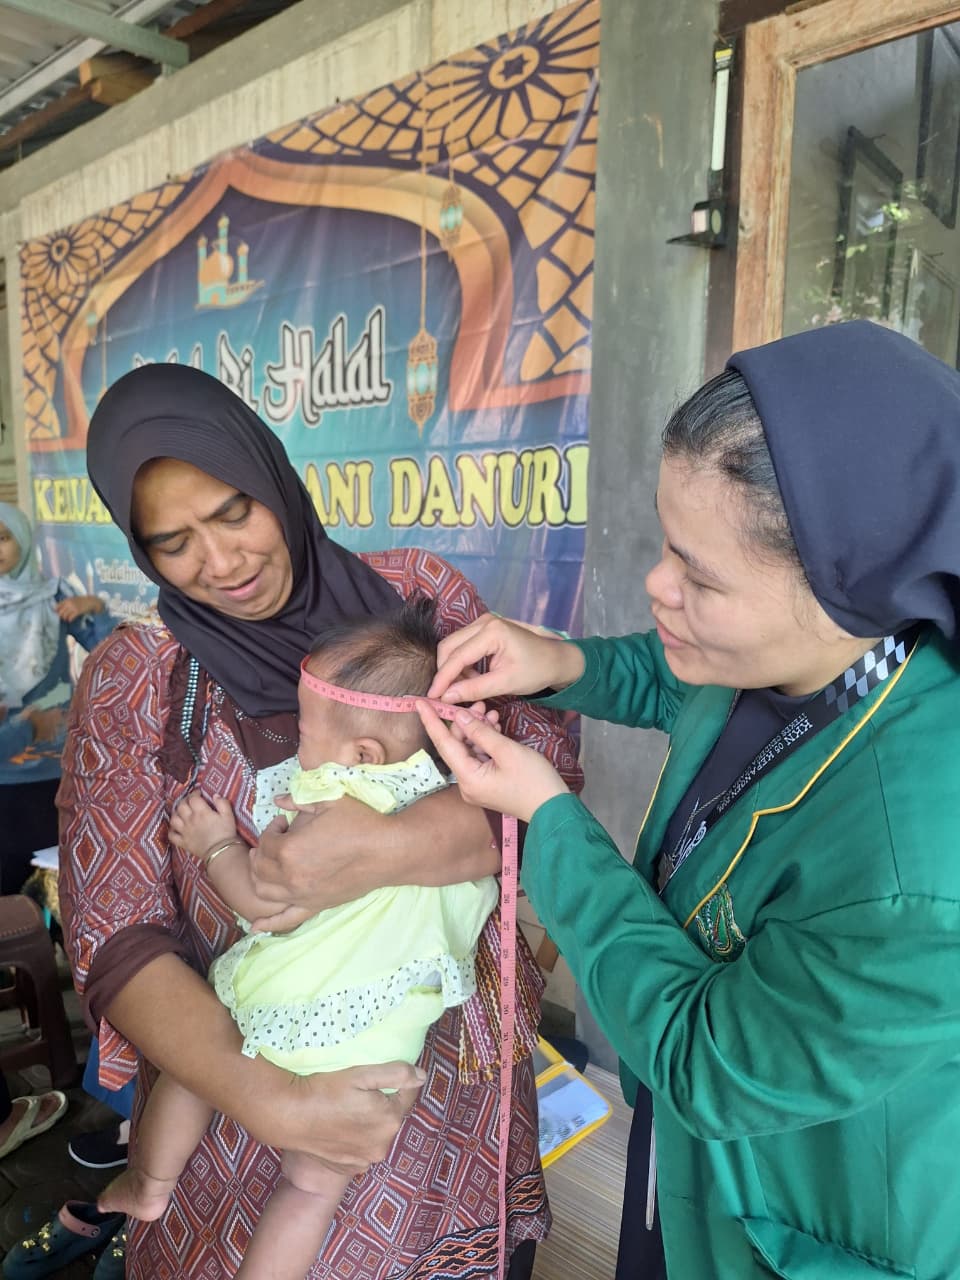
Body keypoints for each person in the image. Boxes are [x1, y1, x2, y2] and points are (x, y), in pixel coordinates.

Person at [417, 320, 960, 1280]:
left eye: (699, 577)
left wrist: (549, 821)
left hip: (797, 1216)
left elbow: (707, 1062)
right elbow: (685, 684)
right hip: (687, 1163)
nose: (656, 586)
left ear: (845, 578)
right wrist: (564, 662)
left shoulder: (916, 875)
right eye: (668, 546)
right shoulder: (827, 647)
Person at [58, 362, 582, 1280]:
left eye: (234, 512)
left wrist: (383, 849)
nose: (222, 563)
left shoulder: (417, 603)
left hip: (453, 1119)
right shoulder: (136, 680)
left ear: (271, 476)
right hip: (236, 1117)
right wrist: (278, 1103)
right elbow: (117, 938)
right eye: (173, 542)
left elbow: (545, 794)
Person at [100, 597, 500, 1280]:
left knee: (193, 1075)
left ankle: (150, 1184)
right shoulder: (456, 788)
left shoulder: (329, 805)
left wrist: (218, 845)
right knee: (310, 1191)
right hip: (380, 1047)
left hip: (289, 1008)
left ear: (362, 755)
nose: (297, 742)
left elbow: (264, 903)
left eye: (306, 729)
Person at [0, 502, 114, 893]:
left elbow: (108, 651)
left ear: (23, 540)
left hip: (52, 764)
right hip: (3, 766)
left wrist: (96, 609)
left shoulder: (54, 596)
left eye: (3, 538)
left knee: (55, 878)